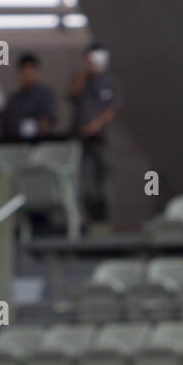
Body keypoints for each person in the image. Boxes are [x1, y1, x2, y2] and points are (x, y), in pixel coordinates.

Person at [68, 42, 120, 229]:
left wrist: (95, 126)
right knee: (83, 182)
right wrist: (85, 72)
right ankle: (84, 220)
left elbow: (111, 109)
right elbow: (72, 94)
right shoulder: (80, 79)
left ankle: (102, 223)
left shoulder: (108, 81)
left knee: (103, 184)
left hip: (102, 141)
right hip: (81, 141)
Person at [0, 53, 56, 141]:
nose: (27, 74)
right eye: (24, 70)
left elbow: (46, 124)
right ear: (19, 73)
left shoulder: (45, 95)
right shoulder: (13, 99)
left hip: (40, 143)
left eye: (30, 69)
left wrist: (27, 128)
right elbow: (8, 126)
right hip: (16, 144)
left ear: (36, 71)